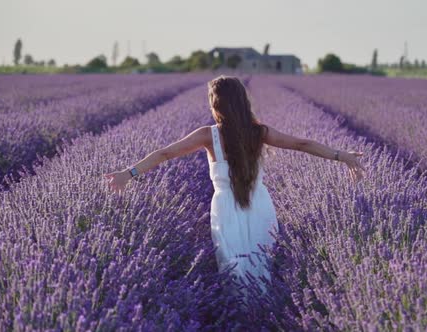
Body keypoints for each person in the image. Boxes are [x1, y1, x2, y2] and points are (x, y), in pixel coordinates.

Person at [103, 75, 366, 302]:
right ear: (243, 101)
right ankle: (262, 317)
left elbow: (165, 153)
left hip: (226, 208)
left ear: (216, 104)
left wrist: (129, 173)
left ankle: (241, 320)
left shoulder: (209, 135)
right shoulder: (259, 132)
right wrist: (341, 156)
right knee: (261, 266)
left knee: (233, 268)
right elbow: (302, 144)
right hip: (260, 204)